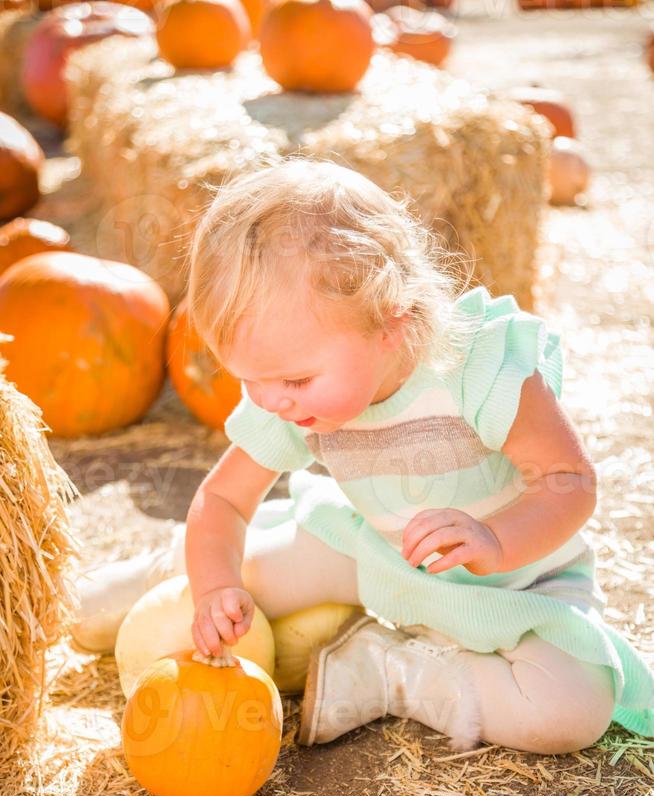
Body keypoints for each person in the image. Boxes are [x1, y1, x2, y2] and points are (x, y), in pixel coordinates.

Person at [74, 157, 654, 753]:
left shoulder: (477, 366)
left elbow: (568, 480)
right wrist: (216, 585)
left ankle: (390, 673)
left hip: (520, 587)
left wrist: (496, 538)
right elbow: (223, 500)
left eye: (294, 381)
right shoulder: (297, 396)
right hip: (374, 552)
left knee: (571, 711)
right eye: (250, 380)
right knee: (243, 570)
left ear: (390, 322)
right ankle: (144, 581)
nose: (271, 401)